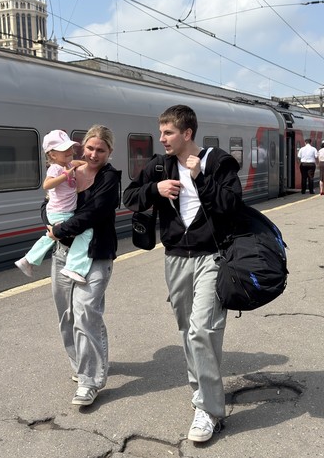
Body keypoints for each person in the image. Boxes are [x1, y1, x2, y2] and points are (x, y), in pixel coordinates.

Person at [122, 105, 242, 443]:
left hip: (212, 256)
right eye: (161, 133)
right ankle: (201, 389)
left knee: (204, 329)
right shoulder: (159, 166)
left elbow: (233, 204)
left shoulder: (217, 162)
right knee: (188, 330)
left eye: (168, 133)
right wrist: (153, 190)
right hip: (175, 257)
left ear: (187, 133)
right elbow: (129, 196)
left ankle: (208, 409)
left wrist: (199, 179)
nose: (161, 139)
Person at [47, 124, 122, 407]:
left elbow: (94, 212)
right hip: (64, 254)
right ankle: (82, 365)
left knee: (85, 313)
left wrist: (60, 228)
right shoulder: (67, 172)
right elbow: (48, 203)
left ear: (109, 152)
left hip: (95, 255)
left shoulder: (110, 179)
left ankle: (89, 380)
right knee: (67, 316)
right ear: (82, 147)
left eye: (100, 150)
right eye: (89, 148)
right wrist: (49, 219)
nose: (93, 154)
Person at [15, 130, 90, 283]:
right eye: (64, 150)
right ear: (53, 155)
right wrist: (65, 176)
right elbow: (46, 184)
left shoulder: (68, 164)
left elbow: (77, 163)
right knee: (85, 233)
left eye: (70, 147)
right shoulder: (55, 168)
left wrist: (87, 164)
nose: (70, 151)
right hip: (61, 212)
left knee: (51, 236)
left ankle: (28, 260)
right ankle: (74, 267)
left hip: (62, 212)